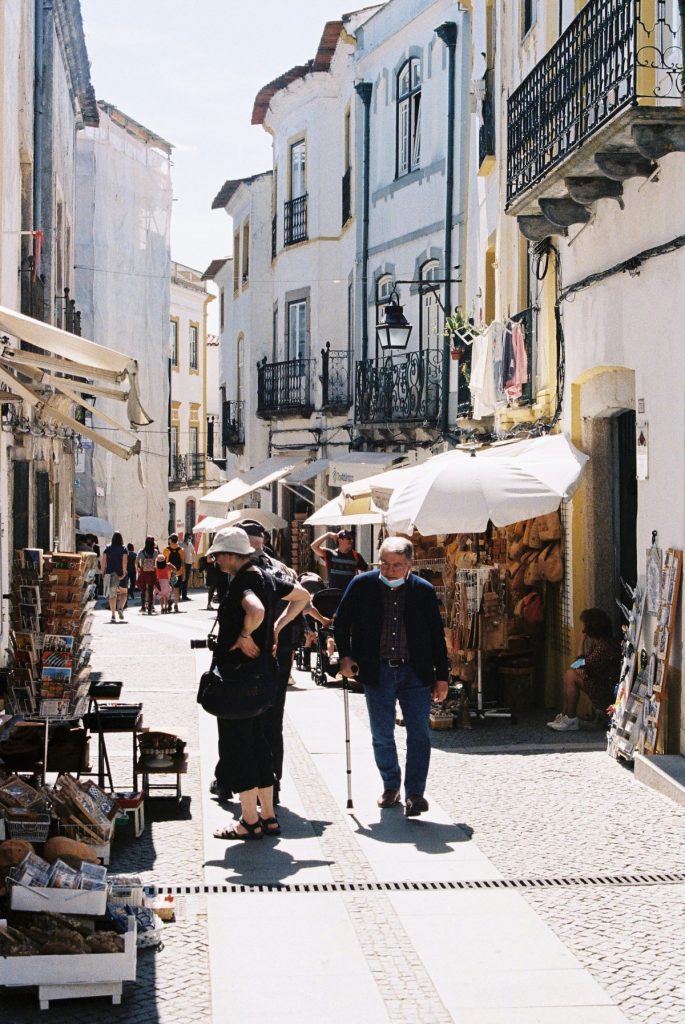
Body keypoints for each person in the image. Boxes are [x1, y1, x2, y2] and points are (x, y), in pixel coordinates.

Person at [334, 536, 449, 817]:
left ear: (410, 564)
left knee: (419, 734)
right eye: (384, 563)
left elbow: (436, 635)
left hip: (415, 672)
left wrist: (442, 676)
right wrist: (346, 656)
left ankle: (415, 794)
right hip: (378, 671)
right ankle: (390, 785)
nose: (389, 570)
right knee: (382, 734)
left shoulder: (422, 590)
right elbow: (341, 621)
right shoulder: (362, 585)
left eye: (396, 565)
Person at [207, 528, 308, 840]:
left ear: (231, 555)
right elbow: (303, 596)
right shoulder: (266, 575)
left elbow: (256, 609)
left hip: (239, 679)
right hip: (264, 675)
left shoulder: (245, 581)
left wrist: (245, 634)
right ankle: (269, 814)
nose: (215, 560)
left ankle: (248, 820)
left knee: (239, 745)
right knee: (260, 742)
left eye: (219, 554)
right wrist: (277, 629)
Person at [547, 608, 621, 731]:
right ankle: (565, 714)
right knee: (569, 674)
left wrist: (581, 642)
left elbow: (580, 664)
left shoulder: (605, 647)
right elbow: (581, 664)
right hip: (600, 684)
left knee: (571, 675)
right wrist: (580, 667)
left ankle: (570, 718)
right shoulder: (599, 644)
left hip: (606, 691)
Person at [311, 529, 368, 593]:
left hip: (350, 595)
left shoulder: (356, 556)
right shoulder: (330, 554)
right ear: (340, 540)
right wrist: (328, 534)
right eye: (348, 538)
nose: (351, 540)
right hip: (334, 595)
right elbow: (313, 546)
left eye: (352, 538)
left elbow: (367, 570)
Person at [101, 531, 128, 623]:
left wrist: (103, 573)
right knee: (124, 593)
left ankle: (113, 615)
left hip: (110, 573)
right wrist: (124, 573)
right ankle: (120, 608)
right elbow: (124, 562)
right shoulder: (124, 549)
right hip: (120, 573)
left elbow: (103, 561)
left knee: (112, 595)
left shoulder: (107, 549)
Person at [136, 536, 159, 615]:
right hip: (151, 572)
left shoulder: (141, 551)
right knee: (150, 590)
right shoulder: (155, 552)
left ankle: (143, 606)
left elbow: (136, 561)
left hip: (143, 572)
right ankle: (149, 608)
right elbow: (156, 560)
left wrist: (138, 568)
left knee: (143, 590)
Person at [163, 534, 185, 613]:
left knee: (169, 589)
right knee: (177, 589)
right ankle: (176, 604)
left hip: (168, 573)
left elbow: (164, 562)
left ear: (170, 540)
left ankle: (169, 602)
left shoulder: (166, 550)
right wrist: (184, 574)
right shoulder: (181, 550)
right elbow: (183, 563)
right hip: (178, 572)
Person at [180, 535, 196, 601]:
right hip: (182, 564)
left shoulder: (190, 544)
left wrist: (193, 561)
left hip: (189, 564)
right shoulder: (180, 544)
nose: (190, 539)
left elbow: (193, 552)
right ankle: (178, 595)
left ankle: (184, 595)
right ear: (185, 538)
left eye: (190, 538)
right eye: (189, 538)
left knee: (186, 580)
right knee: (180, 579)